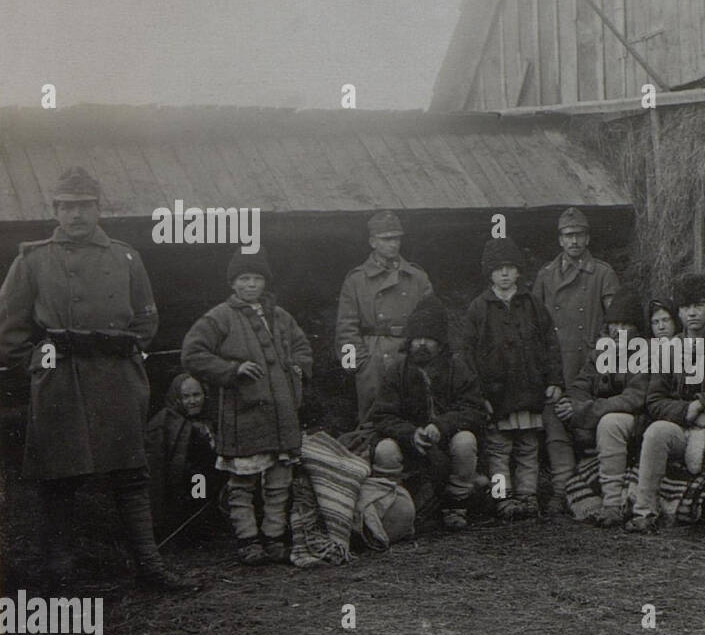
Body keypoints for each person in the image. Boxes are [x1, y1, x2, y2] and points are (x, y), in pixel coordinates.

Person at [0, 166, 190, 590]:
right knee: (61, 475)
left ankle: (150, 567)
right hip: (61, 377)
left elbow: (146, 314)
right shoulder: (33, 258)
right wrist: (39, 362)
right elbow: (9, 331)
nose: (75, 216)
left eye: (84, 206)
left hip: (115, 375)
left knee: (130, 472)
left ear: (99, 209)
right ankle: (59, 575)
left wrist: (132, 355)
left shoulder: (124, 256)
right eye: (67, 207)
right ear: (56, 211)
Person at [182, 252, 313, 565]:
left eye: (256, 278)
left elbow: (303, 347)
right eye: (243, 279)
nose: (250, 284)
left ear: (265, 281)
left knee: (279, 480)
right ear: (232, 283)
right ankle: (248, 540)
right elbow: (193, 354)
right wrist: (232, 370)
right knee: (242, 481)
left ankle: (274, 537)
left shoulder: (281, 316)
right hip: (243, 415)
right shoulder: (219, 317)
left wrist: (295, 370)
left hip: (283, 414)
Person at [625, 274, 705, 541]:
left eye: (699, 305)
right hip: (683, 430)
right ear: (678, 312)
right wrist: (686, 411)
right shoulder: (670, 349)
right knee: (656, 431)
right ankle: (644, 512)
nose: (692, 313)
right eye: (685, 307)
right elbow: (654, 401)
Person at [464, 237, 564, 520]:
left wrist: (555, 380)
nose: (505, 274)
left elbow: (550, 343)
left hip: (529, 389)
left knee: (527, 447)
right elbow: (467, 353)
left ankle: (527, 496)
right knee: (498, 449)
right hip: (496, 394)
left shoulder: (532, 305)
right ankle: (502, 497)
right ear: (489, 273)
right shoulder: (478, 308)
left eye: (510, 267)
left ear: (519, 271)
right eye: (498, 269)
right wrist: (478, 394)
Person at [369, 294, 487, 530]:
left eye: (429, 338)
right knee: (384, 450)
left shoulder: (458, 367)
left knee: (466, 441)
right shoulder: (396, 370)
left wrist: (441, 426)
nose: (422, 343)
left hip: (445, 441)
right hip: (408, 442)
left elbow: (473, 409)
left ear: (441, 342)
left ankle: (456, 505)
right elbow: (382, 415)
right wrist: (411, 434)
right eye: (417, 338)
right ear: (409, 341)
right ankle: (396, 509)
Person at [535, 207, 620, 515]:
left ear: (588, 238)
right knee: (555, 424)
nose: (574, 241)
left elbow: (615, 321)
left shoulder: (602, 273)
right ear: (560, 240)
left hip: (590, 362)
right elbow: (537, 325)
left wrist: (602, 357)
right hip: (557, 362)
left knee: (588, 424)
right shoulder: (545, 276)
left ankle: (590, 486)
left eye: (579, 235)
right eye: (568, 235)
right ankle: (562, 488)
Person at [554, 287, 650, 527]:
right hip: (599, 418)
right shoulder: (601, 351)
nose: (619, 330)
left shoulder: (647, 352)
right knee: (556, 410)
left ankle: (611, 504)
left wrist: (586, 411)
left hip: (638, 421)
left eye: (626, 325)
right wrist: (571, 403)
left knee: (610, 423)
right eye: (614, 324)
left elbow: (634, 398)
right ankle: (559, 489)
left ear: (637, 328)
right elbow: (581, 383)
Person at [335, 210, 434, 423]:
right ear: (373, 242)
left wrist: (424, 355)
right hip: (375, 358)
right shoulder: (356, 280)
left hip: (410, 355)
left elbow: (431, 322)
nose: (393, 244)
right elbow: (346, 329)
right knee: (374, 421)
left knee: (415, 419)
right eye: (386, 239)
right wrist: (359, 366)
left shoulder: (417, 277)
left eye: (397, 238)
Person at [145, 372, 218, 538]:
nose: (192, 401)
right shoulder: (167, 420)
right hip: (183, 480)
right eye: (186, 397)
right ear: (177, 398)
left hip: (206, 474)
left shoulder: (209, 420)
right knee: (198, 481)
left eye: (196, 395)